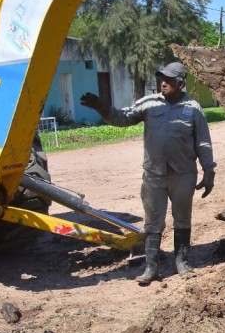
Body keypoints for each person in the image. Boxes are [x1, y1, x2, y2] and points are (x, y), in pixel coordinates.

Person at [80, 61, 216, 285]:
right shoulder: (149, 103)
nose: (163, 83)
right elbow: (122, 118)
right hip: (154, 174)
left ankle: (182, 263)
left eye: (169, 80)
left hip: (183, 174)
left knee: (182, 218)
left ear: (180, 83)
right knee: (153, 222)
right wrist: (101, 107)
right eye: (161, 79)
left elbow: (203, 142)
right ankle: (151, 267)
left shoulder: (193, 109)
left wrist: (209, 170)